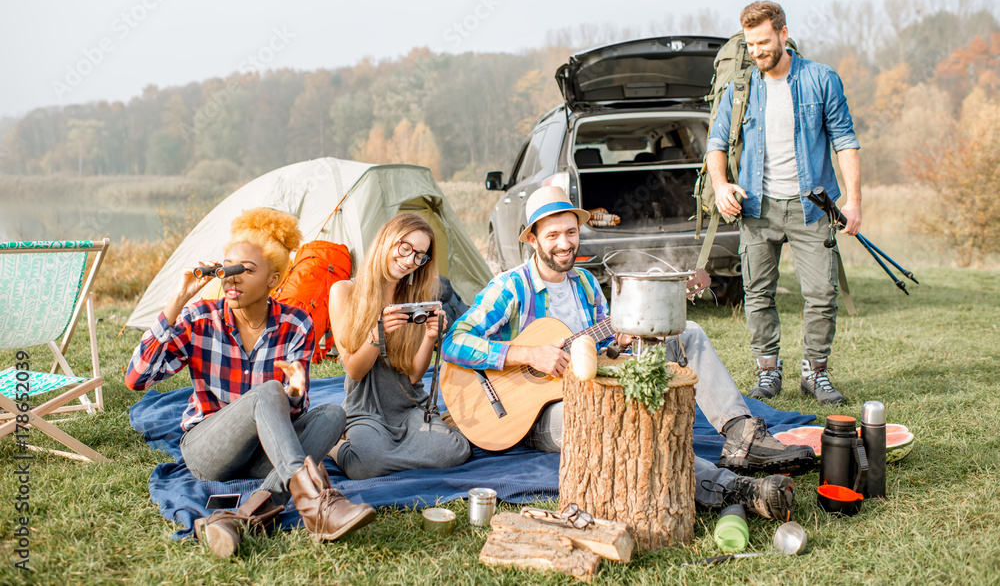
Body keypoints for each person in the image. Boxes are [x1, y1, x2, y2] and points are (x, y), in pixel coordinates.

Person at [442, 186, 814, 520]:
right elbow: (454, 343)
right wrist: (526, 354)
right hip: (533, 414)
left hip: (595, 386)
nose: (564, 243)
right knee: (621, 424)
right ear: (534, 240)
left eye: (571, 232)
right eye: (552, 234)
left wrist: (618, 343)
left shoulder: (586, 283)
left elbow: (605, 347)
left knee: (689, 333)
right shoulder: (508, 288)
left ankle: (742, 435)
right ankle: (729, 488)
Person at [126, 208, 376, 557]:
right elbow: (137, 379)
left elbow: (295, 407)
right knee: (267, 392)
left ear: (273, 280)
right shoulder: (201, 318)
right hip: (208, 449)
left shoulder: (296, 324)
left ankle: (241, 519)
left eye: (245, 270)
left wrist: (294, 391)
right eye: (227, 268)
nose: (232, 279)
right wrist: (176, 302)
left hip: (264, 454)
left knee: (333, 414)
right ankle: (316, 501)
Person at [706, 0, 862, 405]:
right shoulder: (740, 89)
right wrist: (722, 186)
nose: (757, 50)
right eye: (750, 43)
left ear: (783, 34)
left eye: (763, 41)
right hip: (756, 206)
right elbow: (716, 144)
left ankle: (815, 372)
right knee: (757, 293)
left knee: (821, 294)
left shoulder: (821, 79)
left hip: (812, 206)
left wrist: (856, 203)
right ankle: (768, 370)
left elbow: (845, 142)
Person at [329, 213, 471, 480]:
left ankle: (394, 449)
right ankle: (336, 445)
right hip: (365, 409)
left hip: (408, 406)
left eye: (420, 256)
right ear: (387, 240)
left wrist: (430, 337)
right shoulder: (345, 292)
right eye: (405, 248)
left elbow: (414, 376)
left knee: (454, 452)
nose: (410, 261)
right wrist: (376, 334)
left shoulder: (415, 298)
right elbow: (355, 371)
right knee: (366, 466)